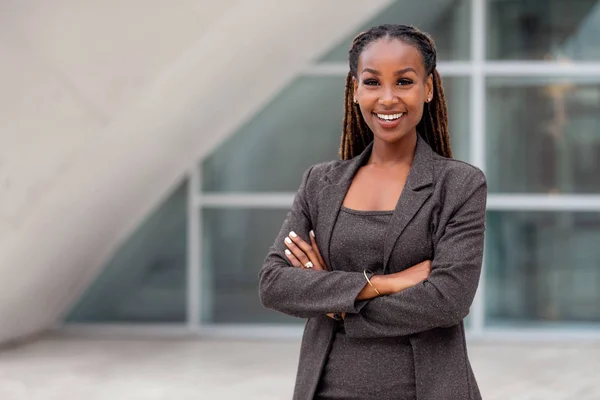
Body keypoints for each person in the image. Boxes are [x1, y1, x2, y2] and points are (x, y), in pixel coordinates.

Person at [259, 24, 486, 400]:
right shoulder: (320, 183)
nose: (387, 98)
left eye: (404, 82)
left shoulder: (459, 185)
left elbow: (447, 300)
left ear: (428, 89)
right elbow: (274, 284)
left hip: (424, 390)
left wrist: (337, 303)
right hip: (325, 388)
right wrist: (385, 283)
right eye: (372, 82)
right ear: (354, 90)